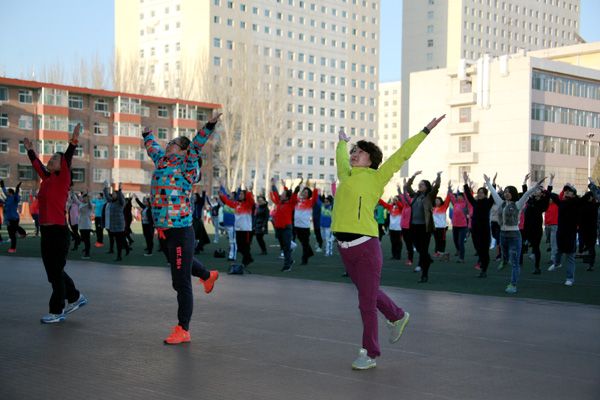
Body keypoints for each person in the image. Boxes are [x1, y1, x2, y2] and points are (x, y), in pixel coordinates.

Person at [332, 115, 445, 370]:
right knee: (367, 294)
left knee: (366, 303)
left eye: (359, 152)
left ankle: (369, 353)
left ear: (371, 160)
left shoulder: (378, 176)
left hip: (366, 247)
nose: (354, 154)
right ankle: (397, 315)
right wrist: (341, 143)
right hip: (345, 249)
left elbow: (402, 154)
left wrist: (425, 130)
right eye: (353, 151)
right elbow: (340, 157)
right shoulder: (345, 175)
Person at [143, 114, 221, 345]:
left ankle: (183, 328)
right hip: (164, 230)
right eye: (168, 143)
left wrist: (209, 126)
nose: (168, 145)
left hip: (180, 231)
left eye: (173, 143)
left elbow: (197, 144)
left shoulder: (188, 165)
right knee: (182, 265)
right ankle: (207, 275)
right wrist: (147, 133)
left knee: (180, 281)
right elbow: (152, 147)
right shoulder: (162, 161)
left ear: (183, 150)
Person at [23, 124, 88, 323]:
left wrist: (74, 140)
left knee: (56, 273)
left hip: (59, 233)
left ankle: (57, 310)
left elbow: (67, 157)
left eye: (55, 159)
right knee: (53, 273)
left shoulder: (63, 177)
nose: (50, 160)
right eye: (50, 158)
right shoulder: (48, 179)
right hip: (47, 232)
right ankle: (76, 296)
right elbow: (38, 166)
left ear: (62, 165)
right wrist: (30, 150)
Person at [485, 174, 545, 294]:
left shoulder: (518, 204)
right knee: (505, 255)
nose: (506, 193)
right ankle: (504, 260)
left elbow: (527, 194)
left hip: (514, 236)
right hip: (503, 235)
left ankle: (513, 284)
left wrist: (536, 186)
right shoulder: (501, 203)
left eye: (509, 191)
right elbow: (494, 193)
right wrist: (488, 182)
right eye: (505, 191)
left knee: (515, 262)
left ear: (513, 193)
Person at [405, 170, 442, 282]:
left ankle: (424, 275)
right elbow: (407, 187)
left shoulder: (430, 197)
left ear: (426, 187)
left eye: (422, 184)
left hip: (425, 228)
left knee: (423, 251)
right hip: (414, 226)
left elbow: (436, 187)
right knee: (420, 250)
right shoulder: (416, 196)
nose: (419, 186)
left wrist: (438, 176)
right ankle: (428, 259)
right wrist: (414, 176)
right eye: (419, 184)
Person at [547, 183, 580, 285]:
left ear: (573, 195)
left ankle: (570, 279)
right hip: (561, 233)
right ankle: (557, 263)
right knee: (558, 251)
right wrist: (549, 184)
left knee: (570, 257)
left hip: (570, 235)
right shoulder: (561, 203)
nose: (566, 192)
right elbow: (551, 194)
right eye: (566, 190)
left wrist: (591, 185)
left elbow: (580, 199)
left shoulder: (576, 203)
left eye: (569, 191)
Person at [463, 172, 495, 277]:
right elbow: (468, 195)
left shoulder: (488, 202)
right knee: (478, 249)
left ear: (485, 194)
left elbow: (493, 194)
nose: (479, 193)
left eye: (482, 192)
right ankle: (481, 263)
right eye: (478, 192)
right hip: (475, 230)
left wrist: (491, 183)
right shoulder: (475, 202)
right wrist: (465, 182)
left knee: (484, 250)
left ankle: (484, 270)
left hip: (484, 230)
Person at [220, 185, 255, 270]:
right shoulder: (236, 204)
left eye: (242, 194)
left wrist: (249, 191)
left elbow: (251, 199)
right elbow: (228, 202)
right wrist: (222, 195)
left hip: (246, 229)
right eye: (239, 194)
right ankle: (249, 259)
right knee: (239, 247)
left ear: (245, 196)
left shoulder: (248, 204)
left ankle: (246, 260)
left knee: (245, 246)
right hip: (238, 229)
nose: (239, 195)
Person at [270, 179, 297, 271]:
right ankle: (289, 260)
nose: (281, 195)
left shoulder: (290, 203)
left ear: (286, 197)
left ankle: (287, 265)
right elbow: (276, 194)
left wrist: (296, 189)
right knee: (283, 247)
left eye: (283, 194)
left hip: (286, 228)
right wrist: (273, 185)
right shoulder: (279, 202)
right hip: (278, 228)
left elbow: (293, 197)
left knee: (286, 247)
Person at [293, 180, 319, 265]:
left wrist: (315, 189)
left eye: (306, 192)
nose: (304, 193)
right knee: (303, 242)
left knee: (304, 244)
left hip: (305, 226)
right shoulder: (297, 201)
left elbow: (315, 198)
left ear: (309, 195)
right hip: (297, 225)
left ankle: (304, 260)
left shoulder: (310, 202)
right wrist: (298, 186)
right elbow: (293, 196)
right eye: (303, 191)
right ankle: (310, 252)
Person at [103, 181, 128, 262]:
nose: (112, 195)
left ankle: (119, 256)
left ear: (117, 195)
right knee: (120, 239)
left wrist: (120, 190)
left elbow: (121, 198)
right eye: (112, 193)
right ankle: (127, 248)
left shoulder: (121, 203)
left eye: (114, 194)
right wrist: (106, 188)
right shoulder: (111, 201)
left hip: (119, 225)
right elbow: (107, 196)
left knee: (119, 241)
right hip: (113, 225)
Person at [447, 184, 469, 263]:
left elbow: (467, 196)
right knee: (455, 241)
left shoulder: (465, 204)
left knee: (460, 242)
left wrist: (465, 188)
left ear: (463, 197)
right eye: (458, 196)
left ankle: (461, 258)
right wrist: (449, 189)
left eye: (460, 196)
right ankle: (458, 250)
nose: (458, 197)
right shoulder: (455, 203)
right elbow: (451, 196)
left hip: (463, 226)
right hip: (455, 226)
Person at [1, 180, 22, 253]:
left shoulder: (15, 198)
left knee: (12, 234)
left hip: (14, 218)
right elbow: (3, 190)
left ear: (10, 193)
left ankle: (13, 248)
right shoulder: (8, 198)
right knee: (10, 234)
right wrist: (2, 183)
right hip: (8, 219)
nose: (6, 192)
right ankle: (19, 233)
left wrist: (17, 188)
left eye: (7, 192)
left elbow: (16, 195)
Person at [70, 191, 93, 259]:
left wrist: (89, 199)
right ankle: (86, 249)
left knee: (87, 240)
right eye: (84, 198)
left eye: (86, 198)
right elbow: (76, 200)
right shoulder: (81, 204)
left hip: (87, 225)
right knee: (84, 239)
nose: (85, 199)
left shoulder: (89, 204)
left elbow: (90, 205)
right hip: (81, 225)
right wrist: (72, 192)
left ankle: (87, 254)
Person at [432, 190, 451, 259]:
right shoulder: (433, 208)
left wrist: (449, 191)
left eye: (438, 200)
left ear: (441, 201)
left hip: (442, 227)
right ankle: (437, 252)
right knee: (436, 240)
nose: (436, 202)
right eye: (435, 200)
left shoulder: (444, 207)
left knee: (442, 240)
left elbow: (447, 200)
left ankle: (441, 252)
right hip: (435, 227)